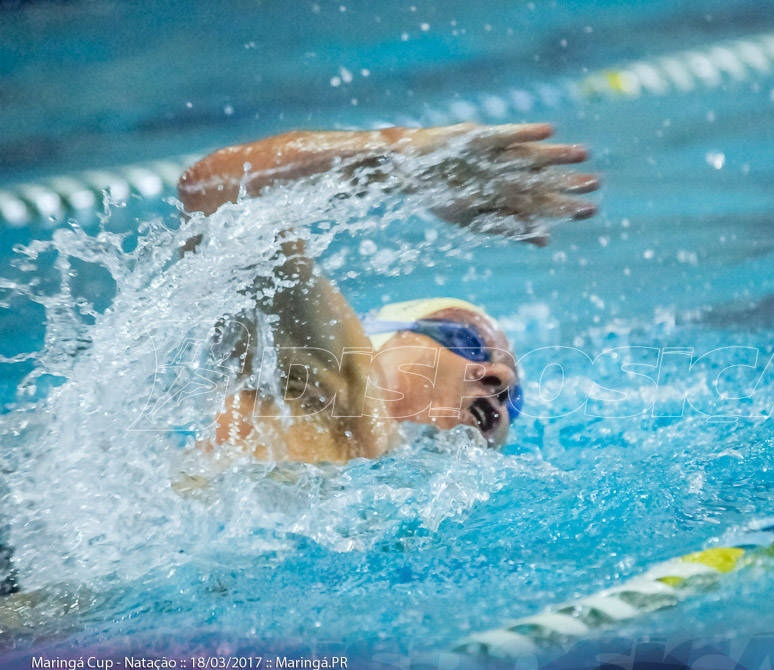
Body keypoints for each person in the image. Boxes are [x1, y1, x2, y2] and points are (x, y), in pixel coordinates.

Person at [177, 123, 599, 464]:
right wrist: (399, 156)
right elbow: (216, 192)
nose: (500, 378)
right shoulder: (321, 386)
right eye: (465, 340)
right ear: (381, 341)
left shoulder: (375, 460)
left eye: (515, 399)